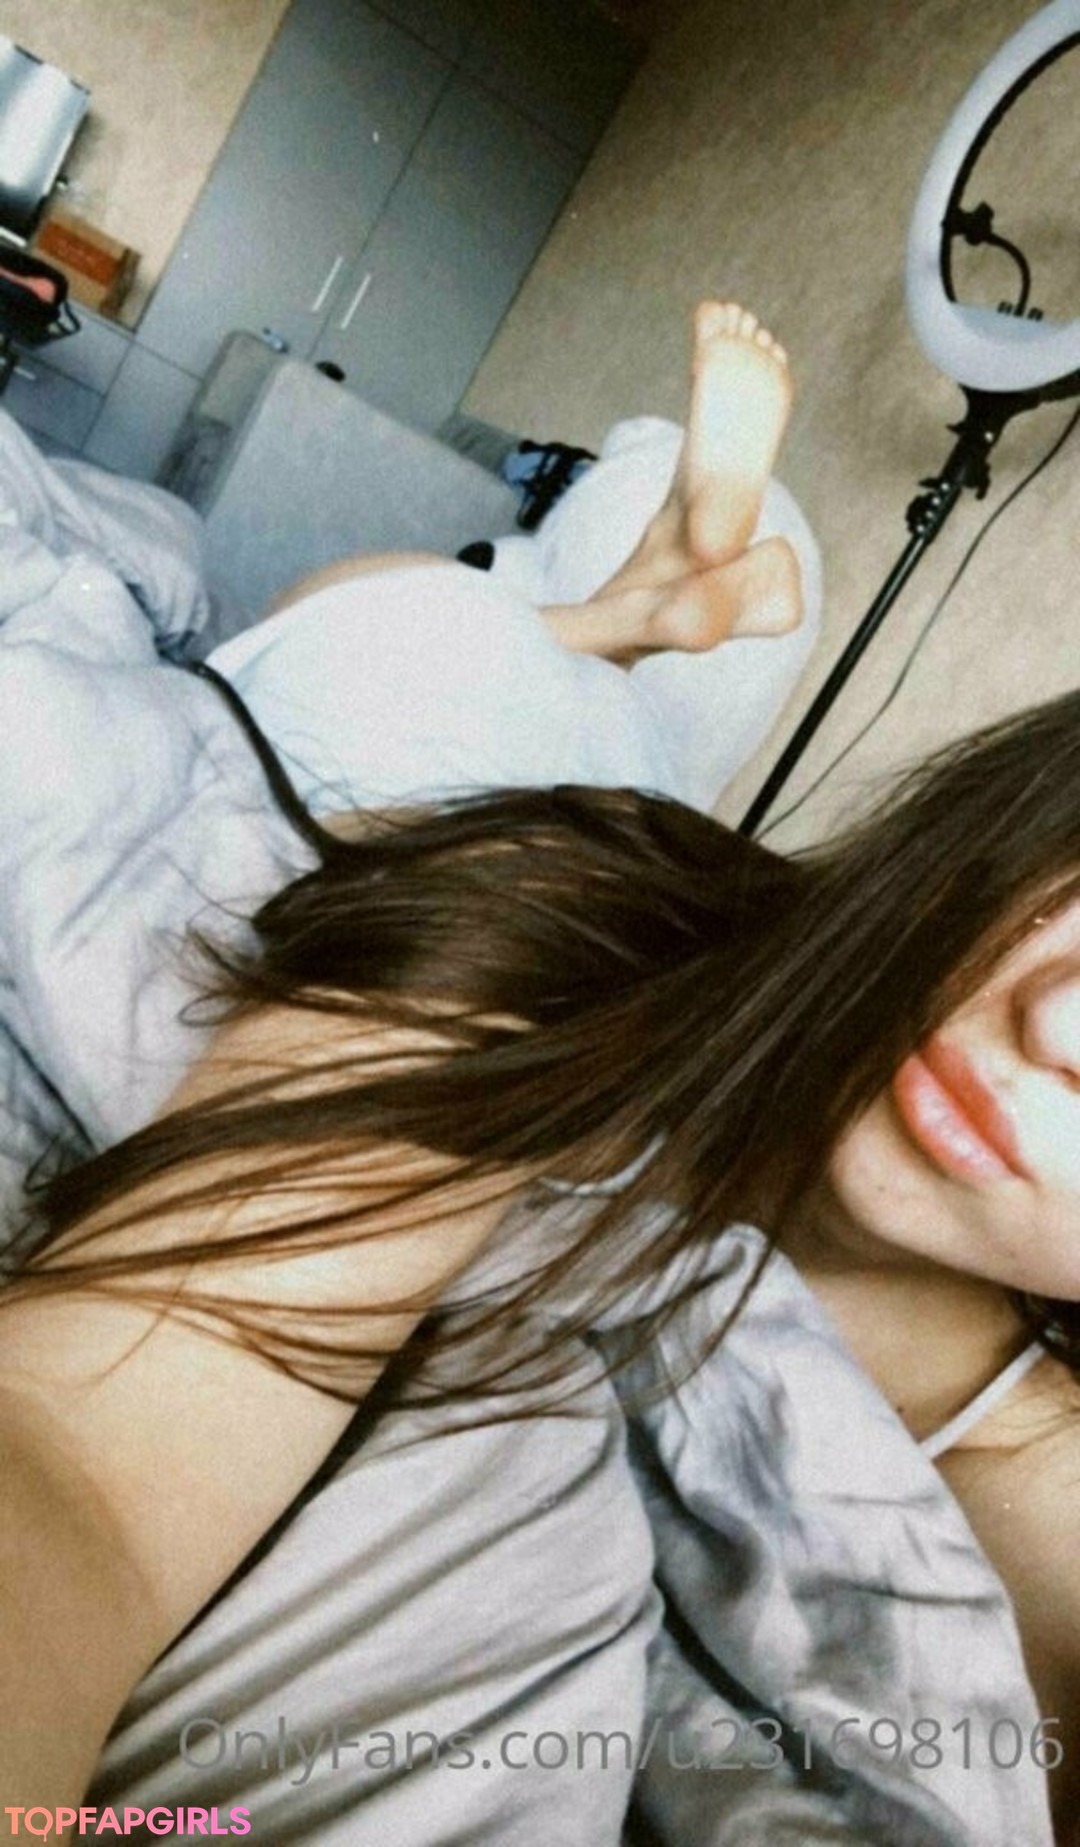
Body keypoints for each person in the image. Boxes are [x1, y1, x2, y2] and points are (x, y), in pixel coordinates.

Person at [1, 305, 1078, 1845]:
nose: (1062, 1021)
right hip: (554, 816)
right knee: (450, 667)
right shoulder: (569, 918)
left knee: (496, 673)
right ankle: (633, 607)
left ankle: (640, 606)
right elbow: (91, 1449)